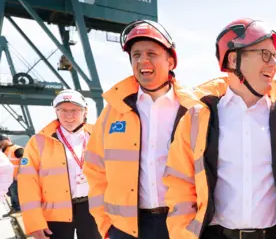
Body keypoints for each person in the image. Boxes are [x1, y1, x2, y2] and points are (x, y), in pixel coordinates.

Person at [163, 18, 276, 239]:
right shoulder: (196, 120)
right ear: (233, 59)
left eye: (275, 57)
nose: (273, 64)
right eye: (265, 55)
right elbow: (180, 186)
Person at [83, 20, 199, 239]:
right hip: (127, 229)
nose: (142, 60)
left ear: (171, 61)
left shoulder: (194, 110)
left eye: (151, 53)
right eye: (136, 55)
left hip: (183, 224)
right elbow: (95, 168)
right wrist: (105, 222)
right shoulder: (113, 112)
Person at [17, 89, 101, 239]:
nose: (68, 116)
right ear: (56, 112)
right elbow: (27, 184)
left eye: (75, 110)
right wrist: (34, 222)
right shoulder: (38, 142)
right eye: (62, 110)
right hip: (55, 212)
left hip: (94, 208)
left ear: (85, 111)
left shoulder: (99, 135)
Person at [0, 134, 22, 216]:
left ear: (6, 140)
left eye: (1, 141)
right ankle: (14, 208)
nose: (0, 143)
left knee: (14, 193)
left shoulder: (17, 149)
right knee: (11, 194)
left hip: (16, 176)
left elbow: (24, 161)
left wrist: (19, 173)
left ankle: (18, 209)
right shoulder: (5, 150)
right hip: (9, 177)